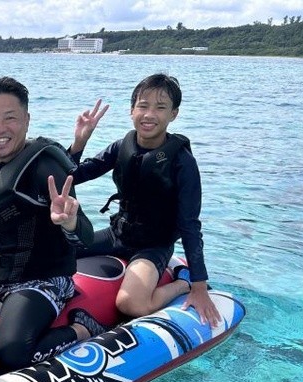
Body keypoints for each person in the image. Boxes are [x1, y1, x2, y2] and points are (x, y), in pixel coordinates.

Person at [0, 76, 110, 373]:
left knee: (13, 353)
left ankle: (81, 330)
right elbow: (2, 222)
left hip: (43, 280)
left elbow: (85, 237)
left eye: (10, 118)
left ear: (26, 120)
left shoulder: (45, 168)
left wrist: (70, 222)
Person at [71, 73, 221, 327]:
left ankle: (181, 282)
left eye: (160, 107)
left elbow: (189, 224)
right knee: (53, 253)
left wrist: (198, 285)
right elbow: (74, 176)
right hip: (117, 235)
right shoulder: (122, 146)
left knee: (131, 304)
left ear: (173, 114)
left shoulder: (182, 162)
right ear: (132, 111)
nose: (149, 114)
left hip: (153, 246)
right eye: (143, 106)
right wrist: (79, 142)